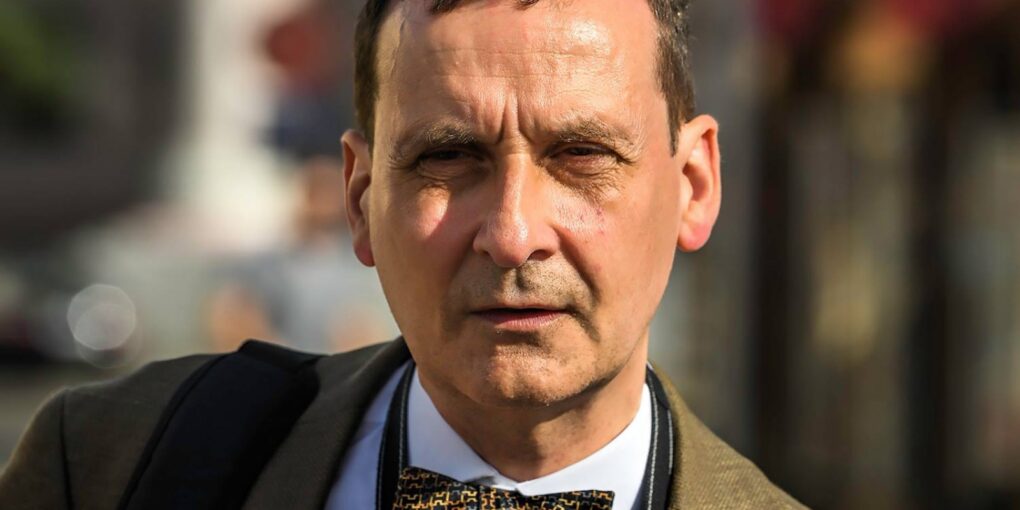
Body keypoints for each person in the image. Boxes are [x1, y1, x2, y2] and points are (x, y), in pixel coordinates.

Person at [0, 0, 806, 508]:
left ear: (694, 186)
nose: (513, 233)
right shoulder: (113, 467)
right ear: (359, 198)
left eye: (581, 156)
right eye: (448, 158)